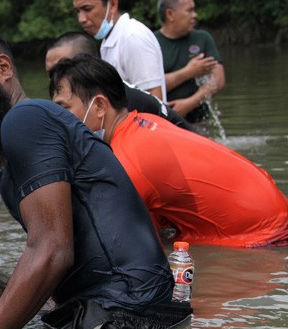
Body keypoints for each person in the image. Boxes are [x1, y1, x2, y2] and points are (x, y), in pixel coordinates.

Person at [0, 28, 190, 329]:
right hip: (135, 313)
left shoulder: (26, 119)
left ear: (3, 68)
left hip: (123, 319)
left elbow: (51, 250)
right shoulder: (17, 144)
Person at [49, 54, 288, 247]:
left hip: (261, 237)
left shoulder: (127, 161)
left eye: (64, 108)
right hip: (270, 207)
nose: (59, 119)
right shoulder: (144, 122)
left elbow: (116, 247)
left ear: (99, 105)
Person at [45, 31, 196, 132]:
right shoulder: (100, 92)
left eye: (61, 70)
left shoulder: (118, 103)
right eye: (50, 74)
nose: (55, 79)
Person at [71, 0, 167, 101]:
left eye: (87, 9)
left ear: (113, 5)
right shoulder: (109, 40)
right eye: (78, 11)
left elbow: (154, 101)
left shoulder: (133, 37)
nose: (81, 19)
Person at [155, 0, 226, 123]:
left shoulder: (202, 38)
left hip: (199, 119)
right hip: (166, 121)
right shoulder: (151, 42)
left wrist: (189, 103)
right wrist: (188, 72)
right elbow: (150, 86)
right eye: (189, 10)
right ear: (170, 14)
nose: (195, 15)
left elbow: (218, 80)